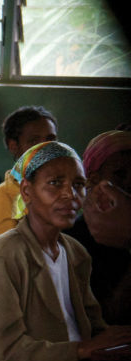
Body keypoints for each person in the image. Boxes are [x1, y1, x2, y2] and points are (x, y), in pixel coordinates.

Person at [0, 141, 131, 361]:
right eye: (55, 183)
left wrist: (110, 338)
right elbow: (5, 355)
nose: (69, 195)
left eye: (78, 185)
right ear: (26, 191)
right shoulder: (2, 255)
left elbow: (93, 327)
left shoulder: (75, 253)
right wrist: (82, 349)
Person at [68, 130, 131, 324]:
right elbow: (109, 317)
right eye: (120, 174)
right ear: (94, 180)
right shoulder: (74, 240)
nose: (130, 182)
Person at [0, 106, 58, 237]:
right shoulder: (4, 194)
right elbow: (5, 251)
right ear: (13, 146)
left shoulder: (65, 188)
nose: (44, 147)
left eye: (50, 139)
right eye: (34, 141)